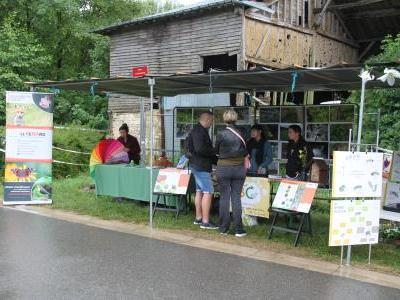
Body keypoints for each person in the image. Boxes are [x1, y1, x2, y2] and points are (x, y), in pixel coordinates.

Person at [215, 109, 248, 237]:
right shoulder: (243, 132)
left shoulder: (221, 133)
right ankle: (239, 229)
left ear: (224, 119)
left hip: (223, 168)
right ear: (236, 119)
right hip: (239, 168)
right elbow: (246, 150)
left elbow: (216, 151)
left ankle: (223, 228)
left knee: (224, 197)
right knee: (236, 198)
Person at [189, 112, 218, 230]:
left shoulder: (197, 130)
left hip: (196, 164)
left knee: (199, 191)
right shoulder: (199, 131)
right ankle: (205, 222)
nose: (211, 123)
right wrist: (214, 152)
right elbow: (200, 149)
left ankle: (198, 217)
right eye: (211, 121)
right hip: (201, 165)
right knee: (208, 192)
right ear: (207, 119)